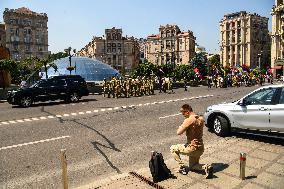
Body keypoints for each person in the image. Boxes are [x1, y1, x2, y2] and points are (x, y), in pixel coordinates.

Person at [170, 104, 213, 178]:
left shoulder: (189, 120)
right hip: (200, 148)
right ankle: (207, 167)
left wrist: (183, 124)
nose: (183, 116)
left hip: (192, 148)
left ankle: (182, 167)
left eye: (183, 114)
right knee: (193, 166)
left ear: (187, 112)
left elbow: (178, 132)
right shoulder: (200, 118)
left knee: (173, 148)